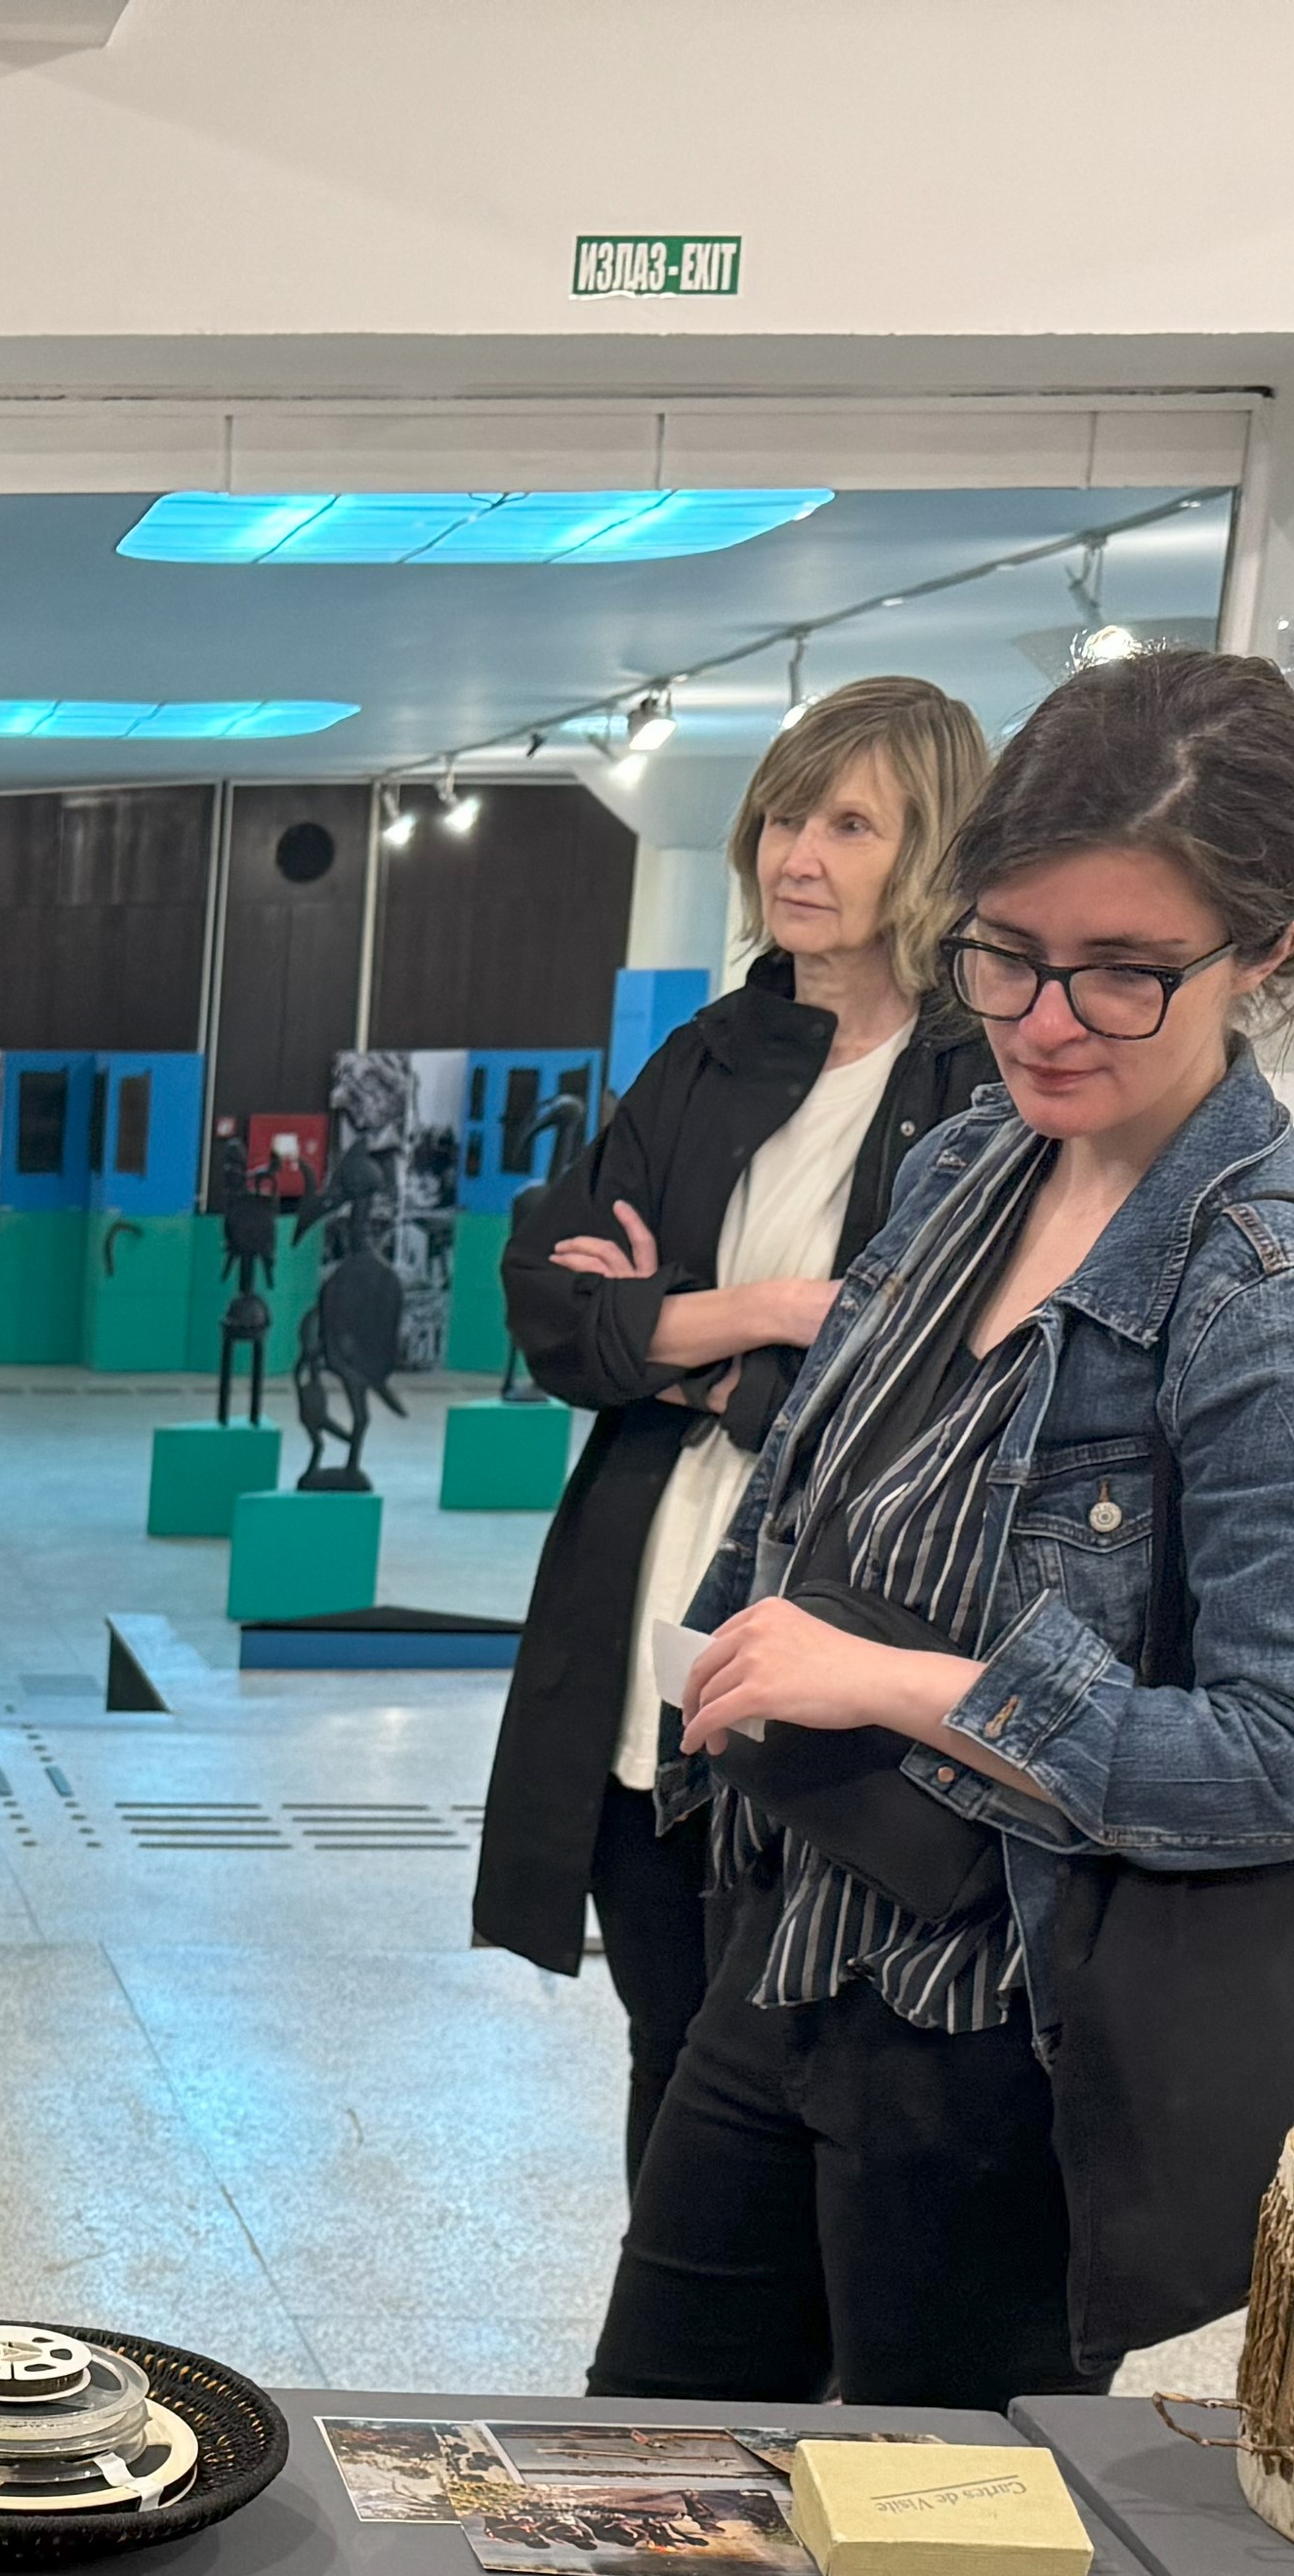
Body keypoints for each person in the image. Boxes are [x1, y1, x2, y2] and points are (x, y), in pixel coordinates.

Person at [591, 649, 1294, 2406]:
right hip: (796, 1942)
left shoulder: (1269, 1293)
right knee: (640, 2481)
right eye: (1009, 954)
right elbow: (814, 1487)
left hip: (1006, 2044)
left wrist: (903, 1689)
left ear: (1266, 954)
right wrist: (718, 1689)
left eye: (1125, 974)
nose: (1048, 1019)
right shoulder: (975, 1160)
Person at [486, 678, 999, 2176]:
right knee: (669, 2022)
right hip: (650, 1581)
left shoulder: (975, 1084)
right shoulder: (713, 1052)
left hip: (833, 1613)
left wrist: (678, 1331)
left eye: (849, 823)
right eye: (785, 814)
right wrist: (775, 1314)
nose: (798, 853)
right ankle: (670, 2360)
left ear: (927, 851)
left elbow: (925, 1374)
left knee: (785, 2028)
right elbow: (548, 1300)